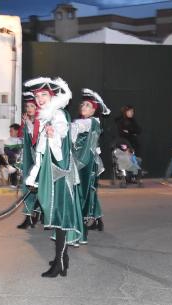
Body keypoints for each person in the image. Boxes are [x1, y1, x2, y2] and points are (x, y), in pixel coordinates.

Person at [23, 77, 83, 278]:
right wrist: (33, 178)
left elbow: (61, 152)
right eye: (37, 96)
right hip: (50, 175)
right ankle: (60, 258)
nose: (39, 99)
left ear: (53, 96)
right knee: (54, 215)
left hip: (60, 175)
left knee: (60, 218)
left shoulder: (59, 115)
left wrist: (52, 136)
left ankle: (60, 263)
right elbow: (40, 154)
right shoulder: (45, 117)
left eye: (43, 95)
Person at [72, 88, 109, 237]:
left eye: (88, 105)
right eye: (83, 105)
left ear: (94, 110)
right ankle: (98, 221)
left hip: (85, 162)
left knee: (83, 191)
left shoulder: (88, 122)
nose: (83, 107)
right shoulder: (90, 122)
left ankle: (83, 221)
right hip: (86, 161)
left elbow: (72, 132)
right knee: (90, 191)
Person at [17, 92, 41, 229]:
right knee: (27, 188)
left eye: (32, 106)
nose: (29, 108)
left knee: (38, 189)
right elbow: (23, 139)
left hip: (39, 161)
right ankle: (28, 217)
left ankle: (37, 215)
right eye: (27, 106)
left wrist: (28, 124)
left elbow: (36, 140)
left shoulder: (40, 122)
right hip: (29, 161)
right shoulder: (27, 122)